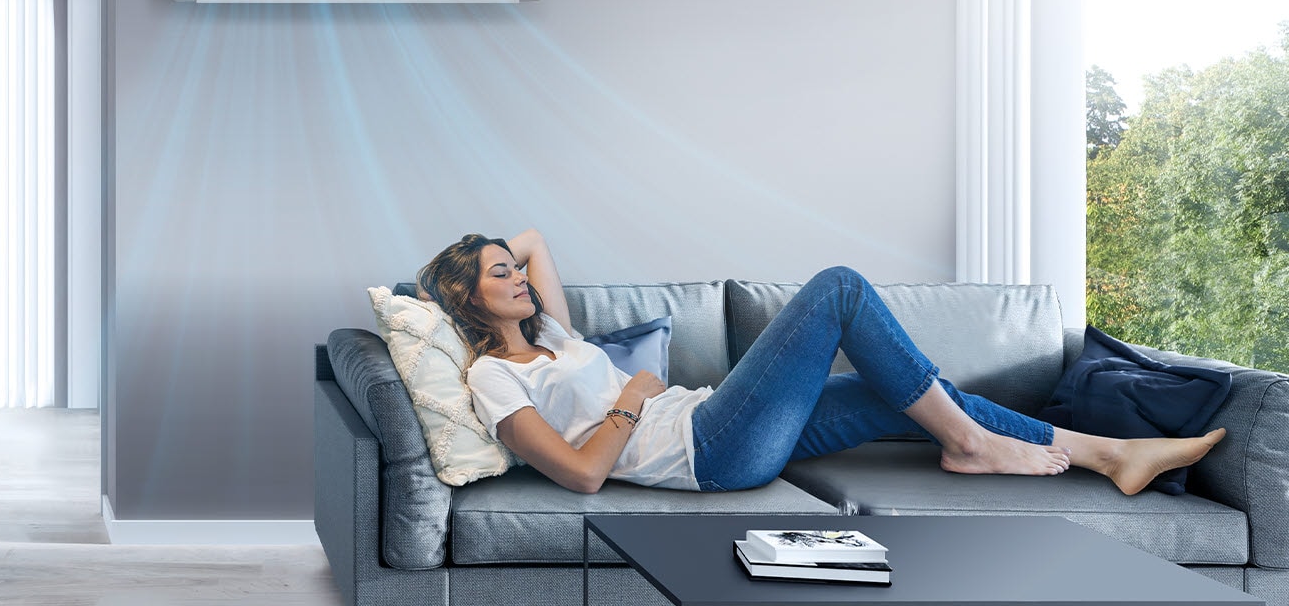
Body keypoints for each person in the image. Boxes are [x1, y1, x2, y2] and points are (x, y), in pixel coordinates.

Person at [415, 229, 1227, 495]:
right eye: (499, 276)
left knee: (898, 390)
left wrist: (488, 258)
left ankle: (1109, 454)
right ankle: (976, 446)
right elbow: (582, 475)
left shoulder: (552, 336)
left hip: (709, 418)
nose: (520, 277)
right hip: (710, 450)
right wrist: (631, 393)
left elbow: (531, 239)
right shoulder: (493, 377)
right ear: (468, 299)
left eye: (514, 273)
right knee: (839, 289)